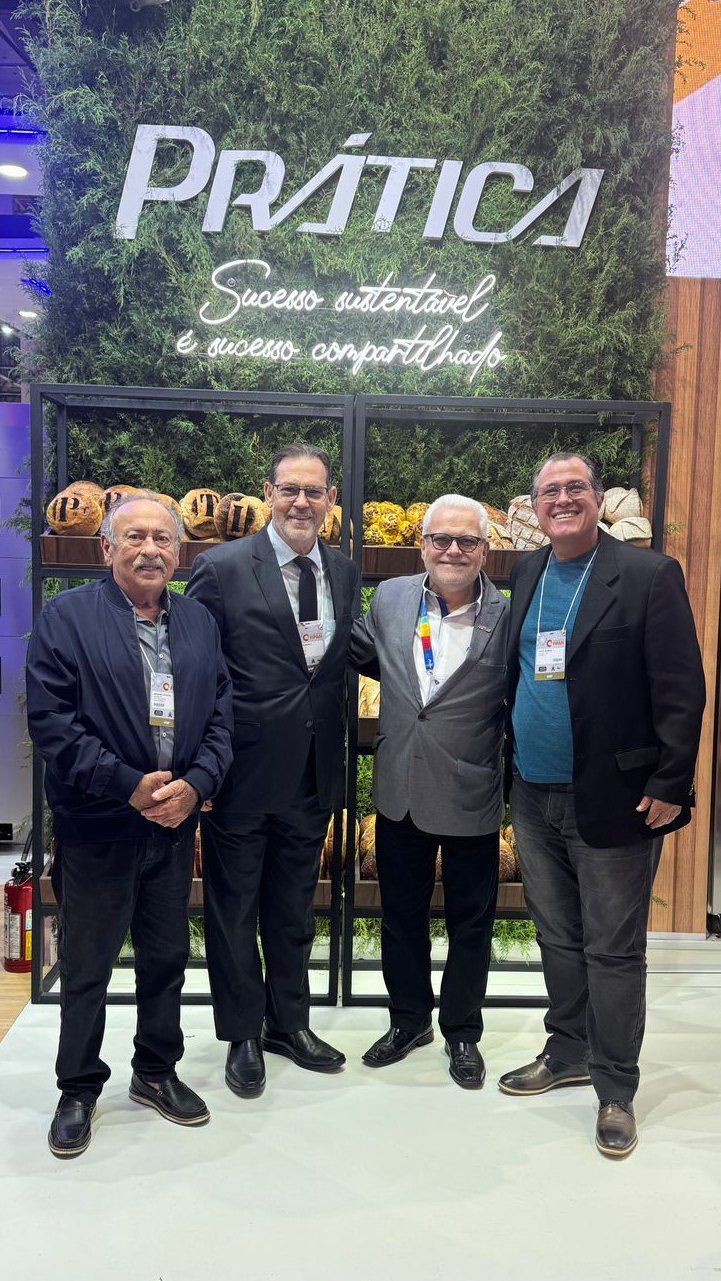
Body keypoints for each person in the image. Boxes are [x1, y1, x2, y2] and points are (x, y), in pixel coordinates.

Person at [499, 452, 705, 1158]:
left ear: (597, 500)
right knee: (557, 937)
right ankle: (566, 1050)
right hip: (532, 791)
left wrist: (670, 780)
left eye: (574, 488)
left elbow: (681, 684)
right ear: (535, 504)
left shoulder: (647, 575)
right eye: (549, 489)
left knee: (613, 950)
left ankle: (615, 1088)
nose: (562, 499)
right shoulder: (524, 571)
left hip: (617, 797)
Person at [26, 493, 233, 1159]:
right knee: (87, 962)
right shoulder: (66, 618)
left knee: (165, 956)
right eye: (135, 536)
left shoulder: (198, 620)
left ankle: (154, 1070)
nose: (150, 549)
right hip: (98, 825)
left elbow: (224, 715)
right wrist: (127, 785)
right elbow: (53, 722)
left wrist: (197, 783)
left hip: (173, 825)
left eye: (163, 539)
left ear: (180, 551)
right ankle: (79, 1084)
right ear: (105, 548)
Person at [186, 444, 359, 1098]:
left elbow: (329, 664)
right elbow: (196, 670)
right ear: (268, 492)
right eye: (289, 489)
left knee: (292, 910)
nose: (300, 502)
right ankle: (243, 1034)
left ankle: (289, 1023)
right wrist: (199, 769)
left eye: (313, 491)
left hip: (313, 775)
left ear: (330, 500)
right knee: (232, 910)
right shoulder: (221, 568)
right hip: (241, 774)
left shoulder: (342, 571)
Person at [349, 495, 508, 1088]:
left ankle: (463, 1033)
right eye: (441, 539)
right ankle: (409, 1019)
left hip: (471, 792)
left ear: (484, 551)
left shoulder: (508, 615)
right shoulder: (391, 598)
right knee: (401, 916)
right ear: (422, 545)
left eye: (467, 541)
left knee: (472, 922)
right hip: (401, 788)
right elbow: (364, 653)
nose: (453, 550)